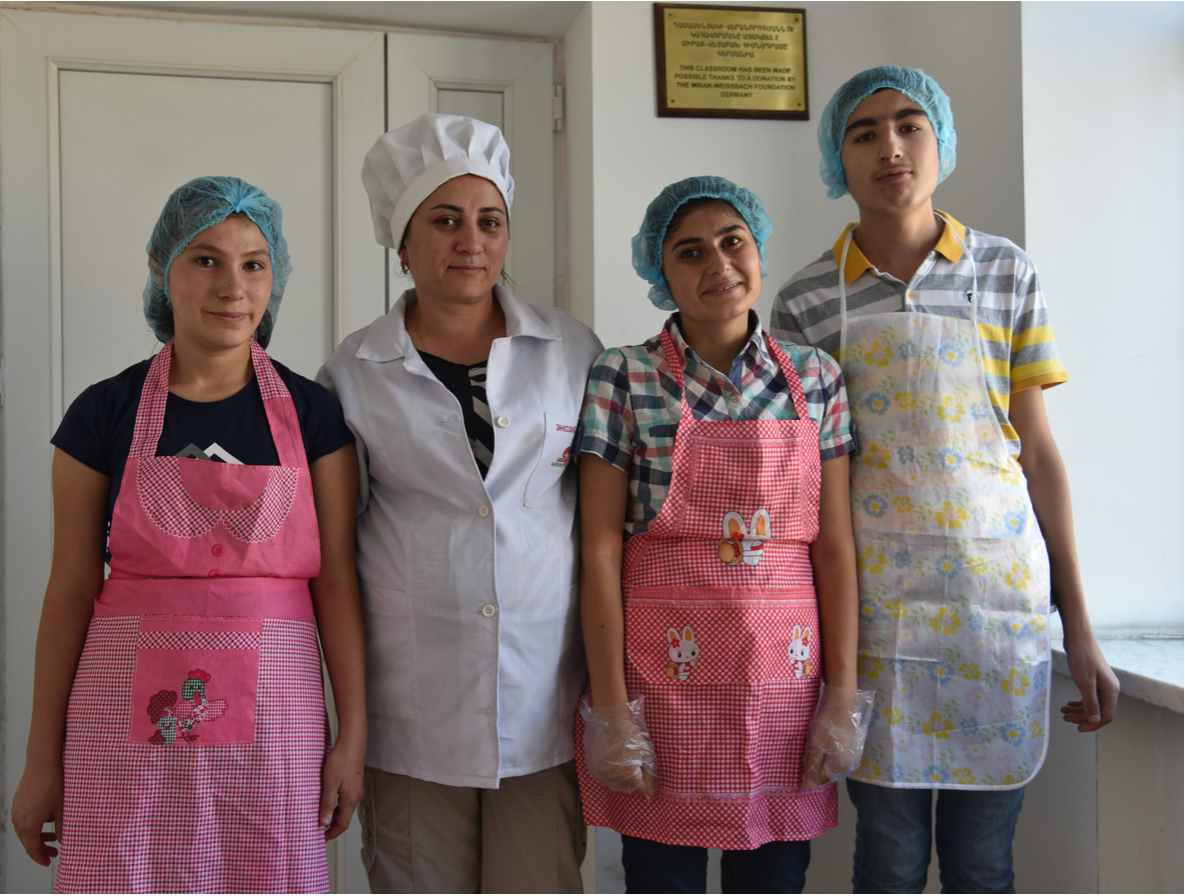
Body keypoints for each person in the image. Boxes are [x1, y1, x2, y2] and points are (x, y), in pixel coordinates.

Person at [771, 66, 1121, 894]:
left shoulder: (1005, 273)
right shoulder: (805, 303)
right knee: (886, 860)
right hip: (874, 622)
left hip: (991, 612)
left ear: (940, 144)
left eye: (908, 125)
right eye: (863, 133)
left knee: (981, 862)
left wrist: (1079, 626)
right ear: (837, 159)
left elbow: (1036, 454)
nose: (889, 147)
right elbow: (805, 489)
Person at [9, 176, 366, 892]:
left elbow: (335, 583)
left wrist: (351, 737)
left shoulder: (314, 414)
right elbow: (71, 586)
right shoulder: (101, 414)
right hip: (119, 713)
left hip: (279, 717)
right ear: (161, 267)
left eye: (253, 263)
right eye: (205, 259)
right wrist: (40, 760)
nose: (232, 285)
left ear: (275, 277)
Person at [318, 113, 602, 894]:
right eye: (443, 221)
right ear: (402, 243)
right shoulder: (352, 372)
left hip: (542, 694)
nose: (469, 241)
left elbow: (603, 521)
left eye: (489, 221)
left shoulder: (573, 352)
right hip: (413, 708)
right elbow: (333, 553)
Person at [576, 176, 869, 894]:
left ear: (758, 251)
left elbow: (831, 545)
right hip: (663, 683)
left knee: (773, 875)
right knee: (659, 876)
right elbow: (598, 548)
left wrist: (840, 695)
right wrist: (612, 710)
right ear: (660, 274)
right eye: (689, 252)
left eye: (732, 242)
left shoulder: (815, 378)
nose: (717, 265)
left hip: (785, 682)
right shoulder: (624, 376)